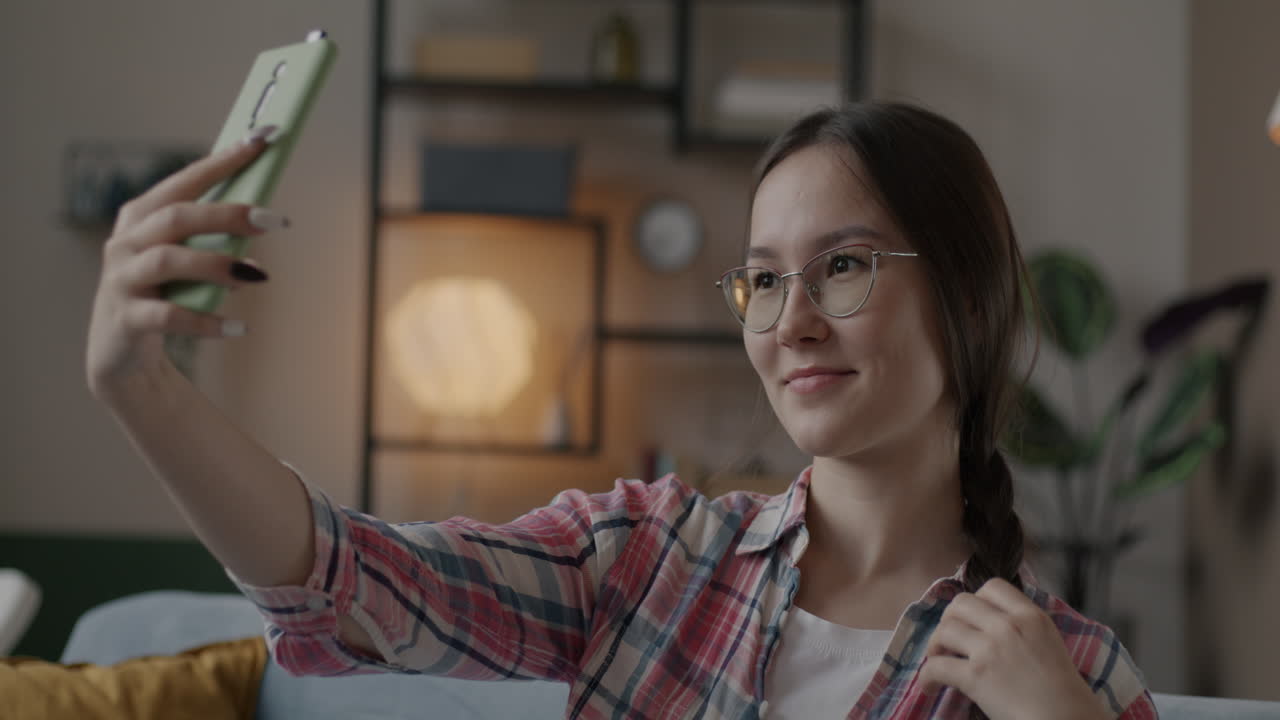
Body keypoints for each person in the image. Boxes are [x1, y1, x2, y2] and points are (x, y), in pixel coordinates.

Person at [85, 102, 1156, 719]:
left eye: (841, 267)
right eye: (762, 280)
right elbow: (353, 579)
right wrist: (142, 390)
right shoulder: (646, 557)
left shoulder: (1067, 674)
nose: (789, 323)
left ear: (965, 296)